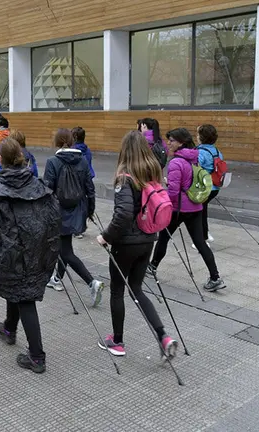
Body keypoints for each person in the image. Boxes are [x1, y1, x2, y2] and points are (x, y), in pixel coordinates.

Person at [0, 137, 60, 374]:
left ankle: (37, 356)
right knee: (15, 286)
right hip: (38, 246)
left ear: (1, 160)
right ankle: (9, 328)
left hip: (15, 250)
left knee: (25, 296)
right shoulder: (36, 182)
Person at [95, 131, 179, 358]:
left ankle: (118, 342)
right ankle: (163, 336)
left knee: (117, 290)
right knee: (137, 289)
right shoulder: (153, 171)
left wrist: (106, 236)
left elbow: (122, 215)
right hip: (149, 238)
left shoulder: (125, 177)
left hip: (126, 243)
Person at [149, 128, 226, 292]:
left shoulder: (176, 162)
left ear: (181, 142)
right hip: (195, 206)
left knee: (163, 238)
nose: (169, 143)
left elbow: (174, 192)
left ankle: (152, 267)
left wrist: (164, 200)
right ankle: (215, 277)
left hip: (179, 208)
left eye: (172, 140)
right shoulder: (194, 157)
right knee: (200, 243)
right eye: (169, 140)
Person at [42, 128, 104, 305]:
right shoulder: (83, 160)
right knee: (65, 245)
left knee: (66, 251)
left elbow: (47, 190)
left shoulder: (53, 161)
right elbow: (89, 188)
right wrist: (90, 210)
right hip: (77, 210)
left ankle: (92, 282)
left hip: (57, 211)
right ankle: (57, 278)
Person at [196, 124, 223, 245]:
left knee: (198, 213)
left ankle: (202, 239)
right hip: (215, 187)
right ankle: (205, 233)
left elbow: (196, 167)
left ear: (202, 137)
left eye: (198, 134)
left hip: (204, 187)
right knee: (202, 210)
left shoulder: (200, 151)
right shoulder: (217, 151)